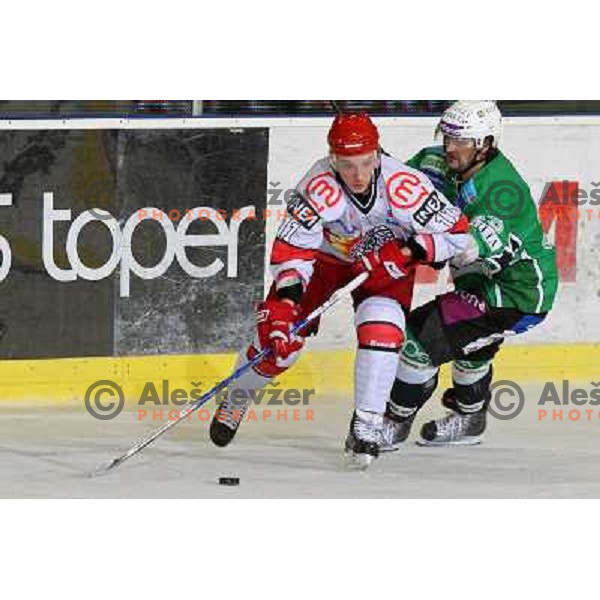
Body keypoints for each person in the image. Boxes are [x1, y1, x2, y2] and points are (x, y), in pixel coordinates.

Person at [209, 112, 471, 468]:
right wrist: (285, 306)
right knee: (279, 344)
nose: (359, 175)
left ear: (378, 153)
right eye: (347, 165)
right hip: (325, 261)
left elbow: (458, 234)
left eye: (366, 163)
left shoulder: (405, 186)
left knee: (383, 325)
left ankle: (367, 425)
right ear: (332, 159)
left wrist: (408, 251)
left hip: (385, 262)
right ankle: (238, 396)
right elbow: (294, 254)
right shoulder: (317, 186)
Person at [381, 101, 559, 449]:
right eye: (447, 137)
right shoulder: (435, 161)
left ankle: (394, 421)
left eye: (460, 142)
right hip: (479, 283)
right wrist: (380, 164)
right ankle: (470, 419)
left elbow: (467, 248)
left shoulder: (503, 192)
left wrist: (420, 246)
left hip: (516, 295)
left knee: (419, 338)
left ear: (486, 144)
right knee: (470, 347)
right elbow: (397, 187)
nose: (449, 148)